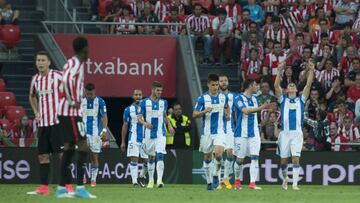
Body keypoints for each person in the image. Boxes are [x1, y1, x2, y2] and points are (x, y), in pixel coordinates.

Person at [27, 51, 74, 195]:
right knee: (42, 156)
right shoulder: (35, 79)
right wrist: (36, 111)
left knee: (62, 156)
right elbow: (31, 95)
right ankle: (43, 187)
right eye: (38, 60)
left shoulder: (58, 76)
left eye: (43, 60)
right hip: (43, 124)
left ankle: (68, 186)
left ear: (48, 62)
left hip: (57, 123)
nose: (40, 63)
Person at [55, 37, 96, 198]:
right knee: (83, 146)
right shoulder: (76, 64)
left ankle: (61, 189)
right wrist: (73, 100)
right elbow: (65, 80)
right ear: (84, 49)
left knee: (69, 148)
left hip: (65, 112)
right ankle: (80, 188)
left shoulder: (72, 62)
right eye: (88, 48)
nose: (89, 51)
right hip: (70, 112)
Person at [274, 60, 315, 190]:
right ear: (286, 90)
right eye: (289, 86)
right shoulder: (283, 100)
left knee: (296, 158)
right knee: (283, 161)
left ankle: (295, 184)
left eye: (293, 85)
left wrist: (311, 70)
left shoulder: (301, 100)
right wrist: (279, 70)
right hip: (284, 133)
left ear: (297, 89)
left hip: (297, 133)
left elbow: (308, 85)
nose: (291, 86)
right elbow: (276, 86)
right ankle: (285, 178)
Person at [233, 79, 272, 190]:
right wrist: (261, 108)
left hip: (254, 133)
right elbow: (245, 111)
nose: (257, 86)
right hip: (241, 133)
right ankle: (236, 181)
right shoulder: (238, 98)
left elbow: (257, 114)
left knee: (255, 157)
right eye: (255, 84)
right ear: (250, 86)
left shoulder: (255, 99)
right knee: (240, 160)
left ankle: (252, 183)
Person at [193, 73, 230, 190]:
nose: (215, 87)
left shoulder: (223, 97)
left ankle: (215, 176)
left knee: (218, 154)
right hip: (207, 133)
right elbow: (194, 114)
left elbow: (227, 106)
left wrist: (227, 114)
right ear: (208, 85)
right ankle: (209, 183)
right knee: (207, 158)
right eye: (213, 85)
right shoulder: (203, 98)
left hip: (220, 131)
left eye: (217, 84)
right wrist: (204, 111)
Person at [138, 81, 175, 188]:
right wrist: (145, 123)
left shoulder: (164, 102)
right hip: (148, 134)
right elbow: (139, 118)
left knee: (160, 155)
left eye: (161, 91)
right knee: (151, 157)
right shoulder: (144, 102)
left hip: (160, 134)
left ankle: (159, 181)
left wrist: (169, 125)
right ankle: (150, 180)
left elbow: (164, 116)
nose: (160, 92)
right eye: (158, 90)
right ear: (153, 90)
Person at [81, 83, 108, 187]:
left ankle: (93, 179)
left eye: (91, 94)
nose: (89, 96)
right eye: (88, 94)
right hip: (83, 133)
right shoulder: (81, 101)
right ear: (85, 92)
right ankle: (82, 177)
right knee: (82, 155)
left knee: (94, 156)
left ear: (94, 92)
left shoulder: (100, 101)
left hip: (96, 134)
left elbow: (104, 116)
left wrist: (104, 130)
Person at [121, 89, 148, 187]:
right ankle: (135, 182)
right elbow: (125, 125)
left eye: (140, 95)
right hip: (133, 137)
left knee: (148, 161)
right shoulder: (128, 109)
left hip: (145, 138)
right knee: (134, 159)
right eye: (136, 95)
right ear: (133, 96)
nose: (138, 96)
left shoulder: (146, 108)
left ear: (142, 96)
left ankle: (141, 176)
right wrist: (123, 141)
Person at [217, 75, 235, 190]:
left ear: (228, 82)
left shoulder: (233, 96)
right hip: (218, 127)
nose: (224, 82)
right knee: (218, 154)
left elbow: (236, 111)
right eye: (221, 81)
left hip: (230, 127)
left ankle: (226, 178)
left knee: (230, 153)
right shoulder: (214, 96)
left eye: (225, 80)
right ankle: (217, 180)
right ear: (218, 83)